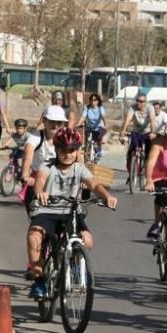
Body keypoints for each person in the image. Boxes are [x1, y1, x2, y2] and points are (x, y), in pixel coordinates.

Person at [26, 128, 118, 298]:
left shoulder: (79, 168)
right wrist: (41, 192)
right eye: (63, 150)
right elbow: (40, 180)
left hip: (71, 211)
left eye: (72, 150)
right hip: (47, 210)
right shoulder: (47, 165)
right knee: (34, 236)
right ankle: (39, 280)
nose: (68, 154)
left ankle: (74, 263)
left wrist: (107, 196)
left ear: (77, 151)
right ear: (56, 149)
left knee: (87, 240)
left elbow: (94, 185)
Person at [23, 106, 68, 213]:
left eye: (59, 122)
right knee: (36, 220)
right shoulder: (36, 137)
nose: (56, 125)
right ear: (44, 121)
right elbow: (28, 157)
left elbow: (77, 158)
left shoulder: (67, 137)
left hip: (61, 181)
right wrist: (25, 175)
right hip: (37, 180)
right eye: (52, 121)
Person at [119, 94, 156, 179]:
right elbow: (128, 119)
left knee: (148, 154)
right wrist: (123, 130)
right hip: (136, 132)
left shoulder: (150, 108)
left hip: (147, 132)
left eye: (141, 101)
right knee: (130, 154)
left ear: (145, 102)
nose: (138, 103)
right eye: (137, 101)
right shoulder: (133, 107)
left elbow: (152, 120)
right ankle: (131, 173)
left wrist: (153, 132)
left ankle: (146, 171)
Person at [78, 94, 106, 160]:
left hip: (98, 126)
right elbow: (83, 116)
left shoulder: (100, 108)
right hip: (89, 127)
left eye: (95, 100)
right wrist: (78, 123)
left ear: (98, 101)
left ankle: (99, 150)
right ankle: (86, 153)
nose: (93, 102)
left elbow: (103, 116)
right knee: (86, 140)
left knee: (98, 139)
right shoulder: (87, 108)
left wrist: (105, 124)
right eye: (91, 100)